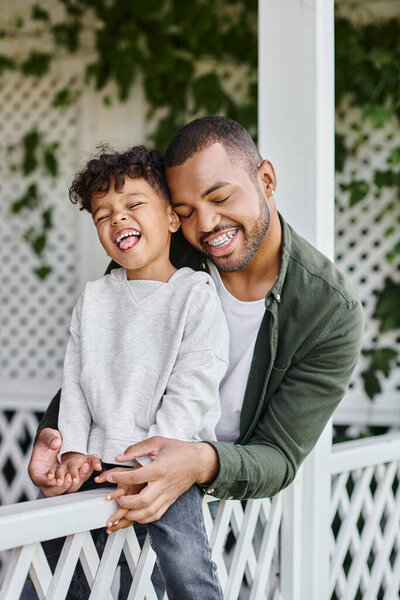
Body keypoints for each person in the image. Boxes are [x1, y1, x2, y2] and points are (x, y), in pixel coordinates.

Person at [29, 116, 364, 528]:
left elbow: (279, 455)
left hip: (234, 516)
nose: (205, 225)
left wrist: (199, 461)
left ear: (267, 179)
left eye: (221, 197)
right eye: (186, 211)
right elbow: (100, 362)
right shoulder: (163, 253)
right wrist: (57, 438)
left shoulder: (330, 312)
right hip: (120, 478)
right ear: (170, 215)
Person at [30, 144, 229, 600]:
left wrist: (153, 465)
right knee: (59, 571)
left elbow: (194, 384)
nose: (118, 219)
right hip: (97, 467)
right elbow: (75, 386)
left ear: (171, 218)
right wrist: (72, 452)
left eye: (134, 205)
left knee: (181, 571)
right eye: (103, 215)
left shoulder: (194, 295)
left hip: (168, 467)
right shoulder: (94, 298)